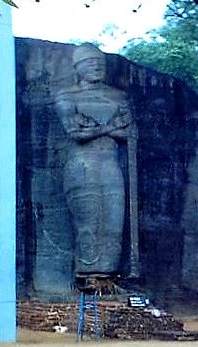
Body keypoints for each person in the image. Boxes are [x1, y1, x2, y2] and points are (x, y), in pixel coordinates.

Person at [55, 43, 135, 277]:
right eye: (90, 63)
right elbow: (76, 133)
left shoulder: (117, 95)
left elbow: (127, 132)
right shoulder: (67, 95)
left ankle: (107, 276)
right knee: (88, 221)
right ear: (78, 67)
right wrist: (111, 126)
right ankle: (86, 274)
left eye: (100, 63)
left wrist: (96, 127)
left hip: (109, 164)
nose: (97, 67)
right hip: (82, 165)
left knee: (113, 222)